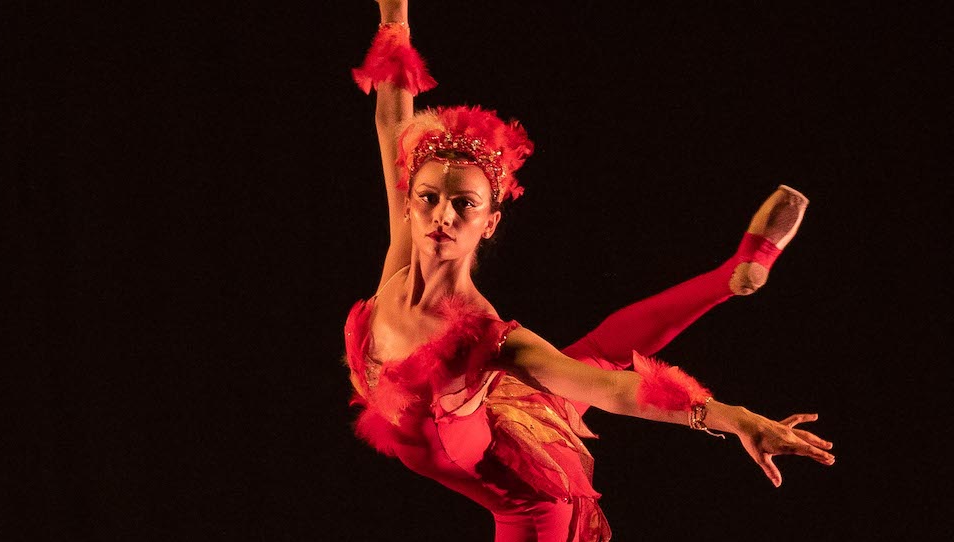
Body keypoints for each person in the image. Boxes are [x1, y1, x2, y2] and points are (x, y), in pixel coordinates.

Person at [344, 2, 835, 540]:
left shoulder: (488, 339)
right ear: (409, 200)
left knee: (587, 369)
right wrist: (396, 11)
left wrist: (734, 416)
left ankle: (729, 277)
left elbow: (617, 392)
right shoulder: (402, 251)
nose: (441, 214)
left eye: (465, 204)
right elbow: (392, 116)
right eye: (429, 197)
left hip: (527, 505)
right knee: (596, 348)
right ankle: (730, 274)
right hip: (503, 414)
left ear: (489, 223)